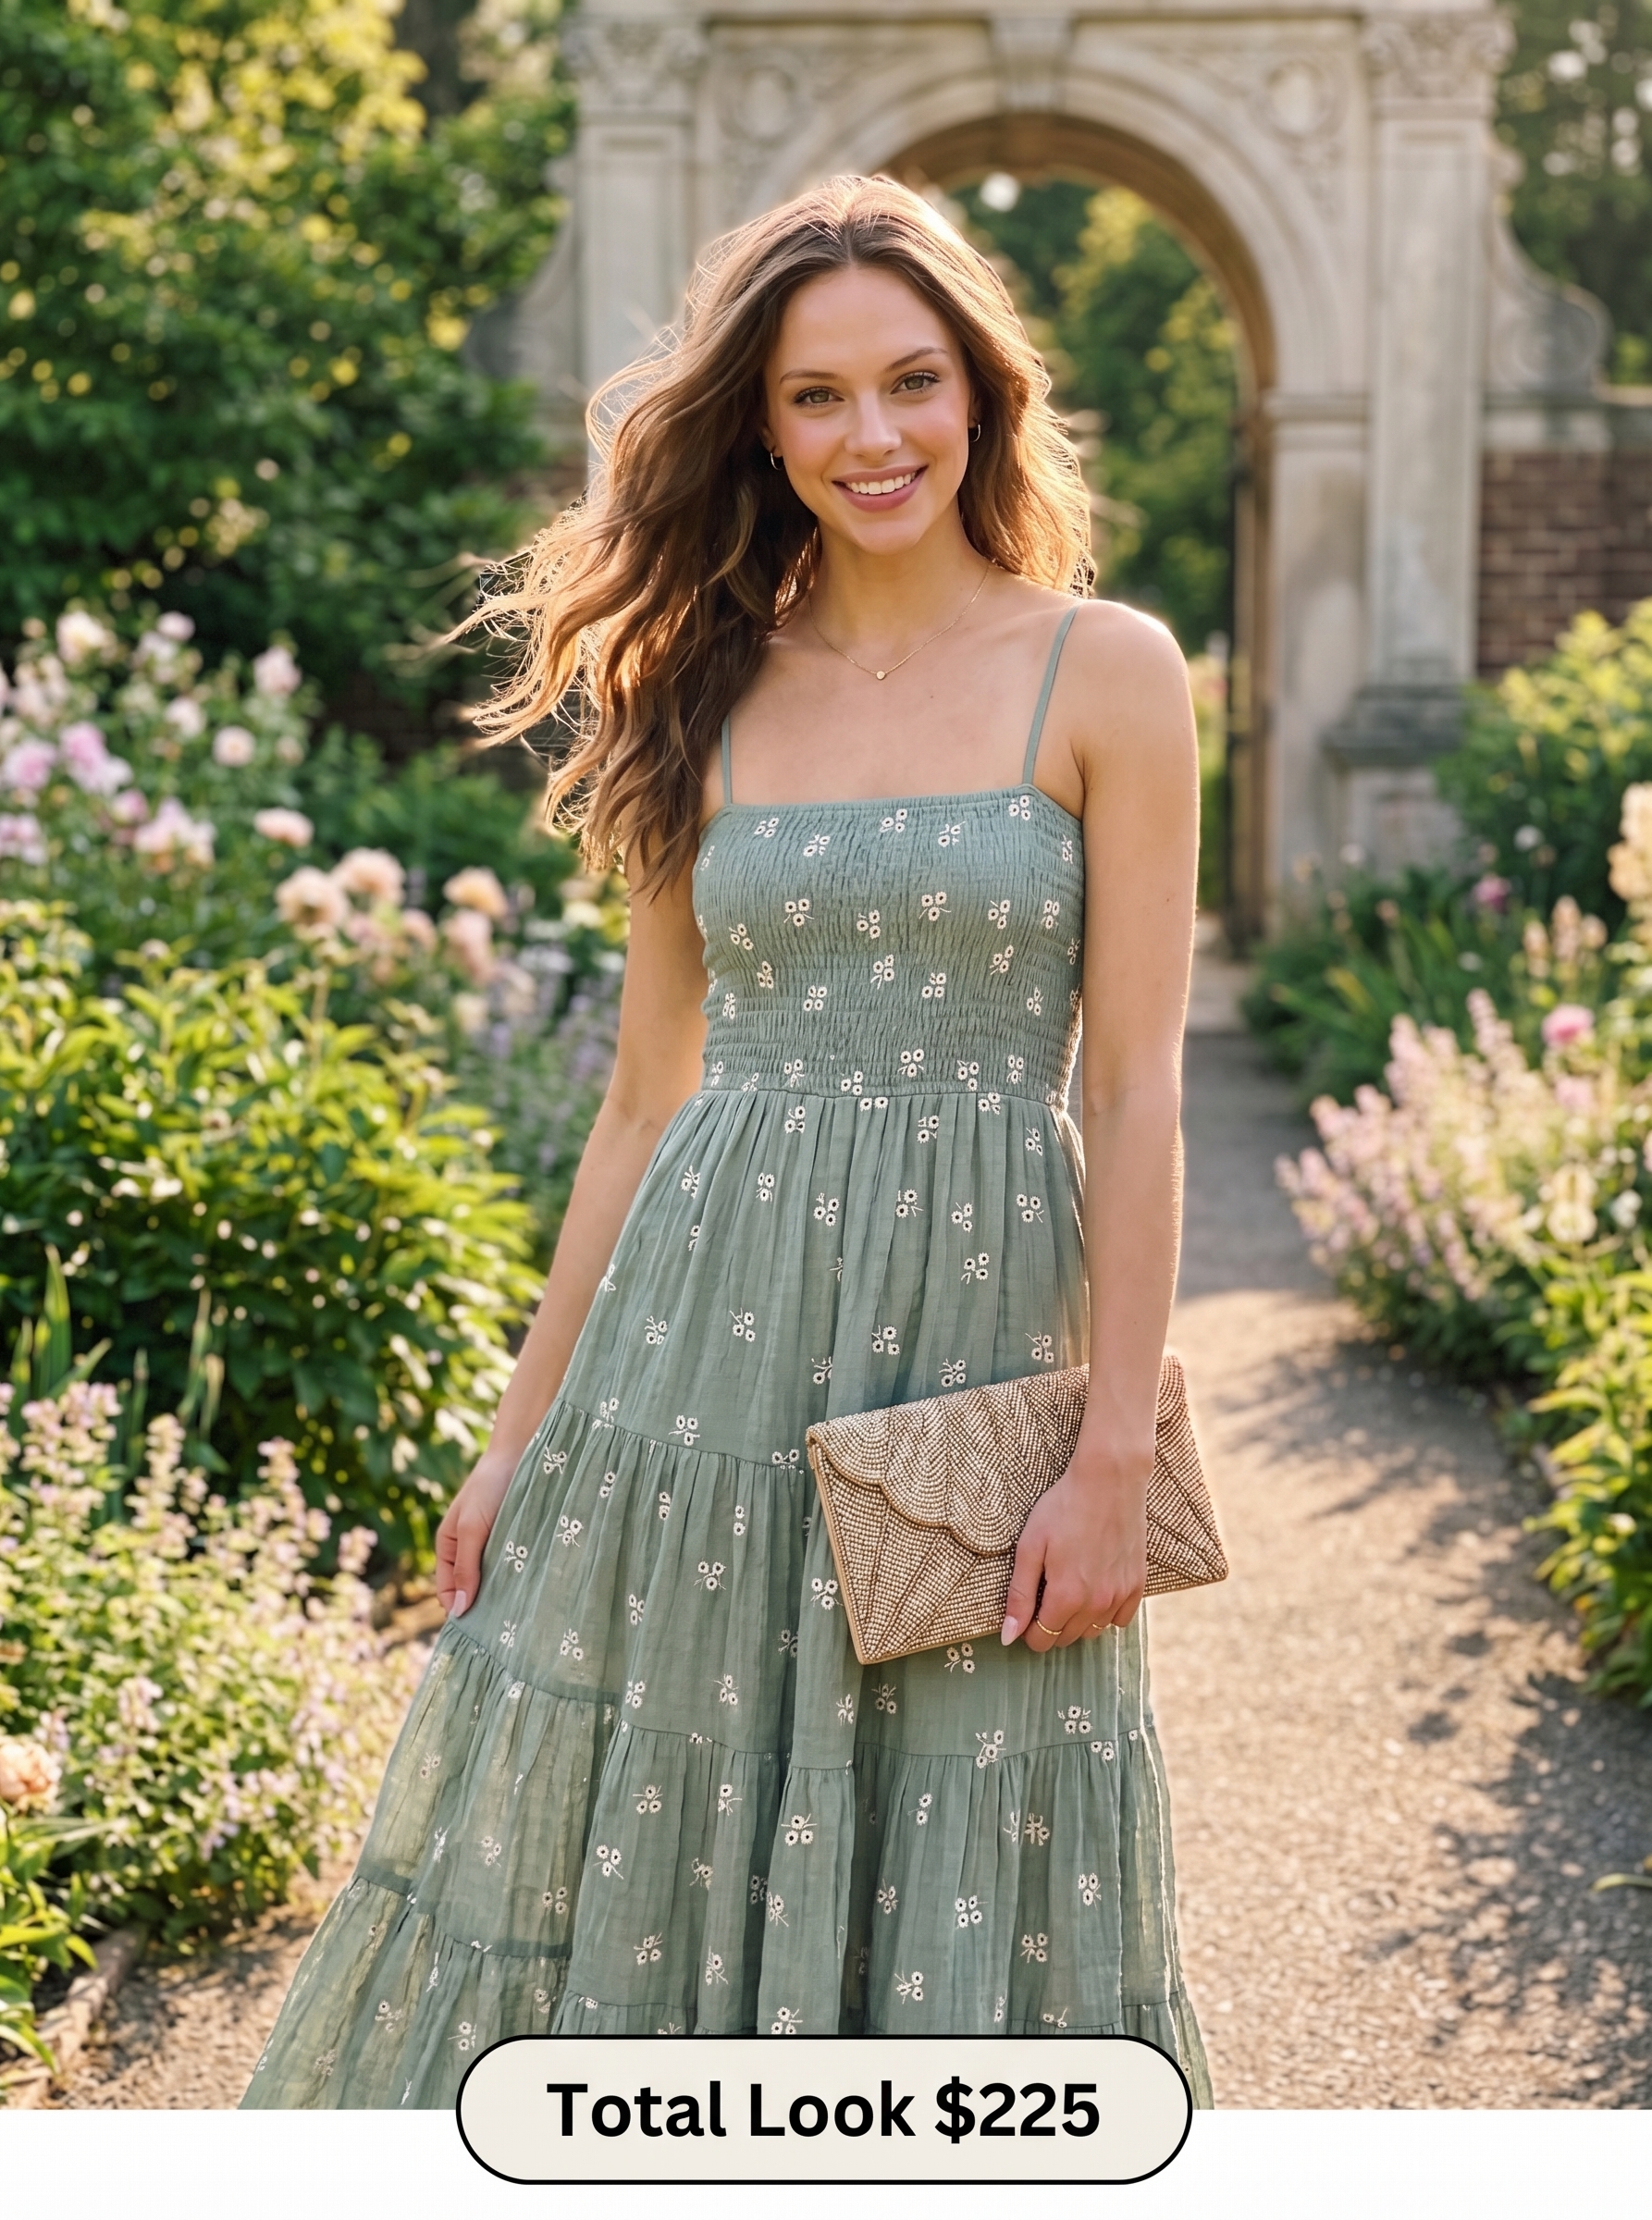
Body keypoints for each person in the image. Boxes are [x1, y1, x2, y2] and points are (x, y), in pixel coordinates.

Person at [240, 172, 1212, 2108]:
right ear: (757, 430)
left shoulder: (1103, 670)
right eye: (816, 397)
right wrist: (517, 1435)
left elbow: (1132, 1090)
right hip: (699, 1357)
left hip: (962, 1359)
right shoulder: (696, 681)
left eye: (910, 383)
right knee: (658, 1804)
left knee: (959, 1833)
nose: (873, 437)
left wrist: (1114, 1452)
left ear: (980, 397)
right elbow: (637, 1099)